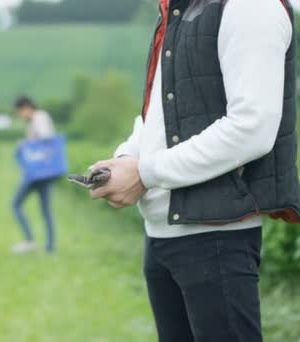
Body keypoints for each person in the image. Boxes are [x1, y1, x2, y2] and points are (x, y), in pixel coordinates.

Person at [89, 0, 300, 341]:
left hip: (217, 236)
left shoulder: (250, 7)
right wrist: (127, 157)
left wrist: (145, 173)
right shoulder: (180, 11)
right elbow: (159, 113)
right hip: (161, 236)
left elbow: (252, 128)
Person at [12, 96, 57, 254]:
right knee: (46, 210)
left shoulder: (39, 117)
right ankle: (50, 247)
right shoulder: (37, 119)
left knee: (16, 204)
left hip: (38, 171)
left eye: (19, 112)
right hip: (44, 170)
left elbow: (45, 137)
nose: (20, 115)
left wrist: (24, 144)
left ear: (26, 107)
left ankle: (29, 240)